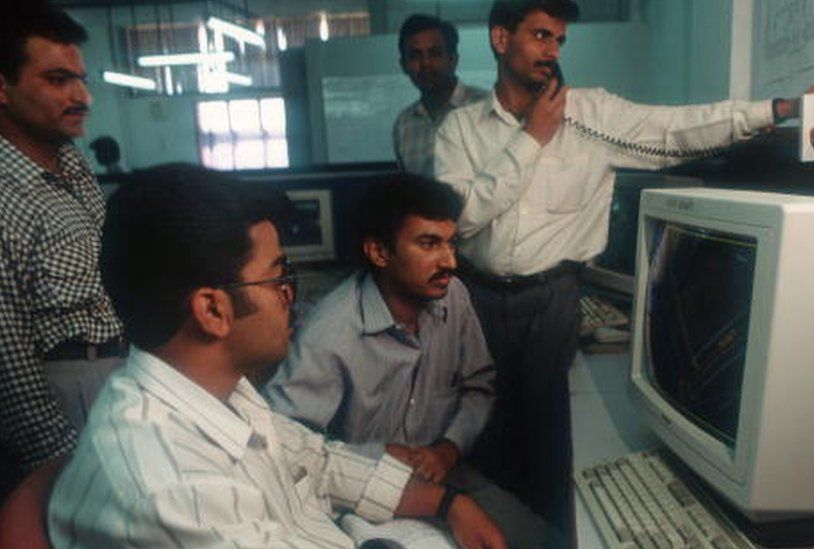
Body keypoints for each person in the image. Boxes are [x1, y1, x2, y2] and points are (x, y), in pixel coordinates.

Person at [433, 0, 814, 533]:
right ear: (501, 39)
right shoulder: (458, 130)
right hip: (475, 298)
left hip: (552, 298)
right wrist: (532, 141)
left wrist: (774, 110)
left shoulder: (593, 114)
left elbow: (675, 129)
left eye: (559, 41)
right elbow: (460, 220)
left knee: (552, 437)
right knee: (483, 432)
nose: (552, 51)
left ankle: (557, 537)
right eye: (540, 36)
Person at [47, 165, 506, 549]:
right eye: (278, 278)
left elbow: (320, 462)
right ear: (212, 310)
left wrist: (448, 504)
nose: (292, 298)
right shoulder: (171, 489)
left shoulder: (221, 391)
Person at [264, 175, 554, 547]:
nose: (449, 261)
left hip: (449, 474)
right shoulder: (330, 334)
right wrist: (381, 454)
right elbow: (285, 448)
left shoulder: (454, 297)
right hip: (361, 496)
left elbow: (479, 386)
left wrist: (448, 449)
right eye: (429, 244)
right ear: (379, 253)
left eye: (451, 243)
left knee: (549, 542)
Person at [0, 0, 124, 497]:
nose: (82, 97)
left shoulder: (72, 165)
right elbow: (8, 356)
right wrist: (58, 464)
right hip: (64, 392)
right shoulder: (6, 194)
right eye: (57, 80)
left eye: (82, 79)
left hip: (119, 372)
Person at [393, 14, 488, 176]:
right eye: (415, 56)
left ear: (453, 59)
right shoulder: (404, 125)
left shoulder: (486, 108)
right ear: (404, 65)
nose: (425, 63)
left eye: (435, 53)